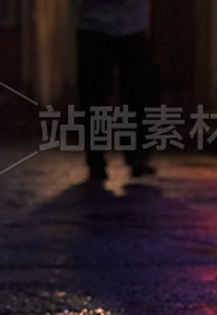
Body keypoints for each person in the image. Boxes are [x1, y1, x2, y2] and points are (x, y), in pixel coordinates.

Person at [76, 0, 160, 181]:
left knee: (136, 93)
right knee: (95, 95)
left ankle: (136, 155)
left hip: (128, 24)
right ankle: (97, 159)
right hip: (97, 25)